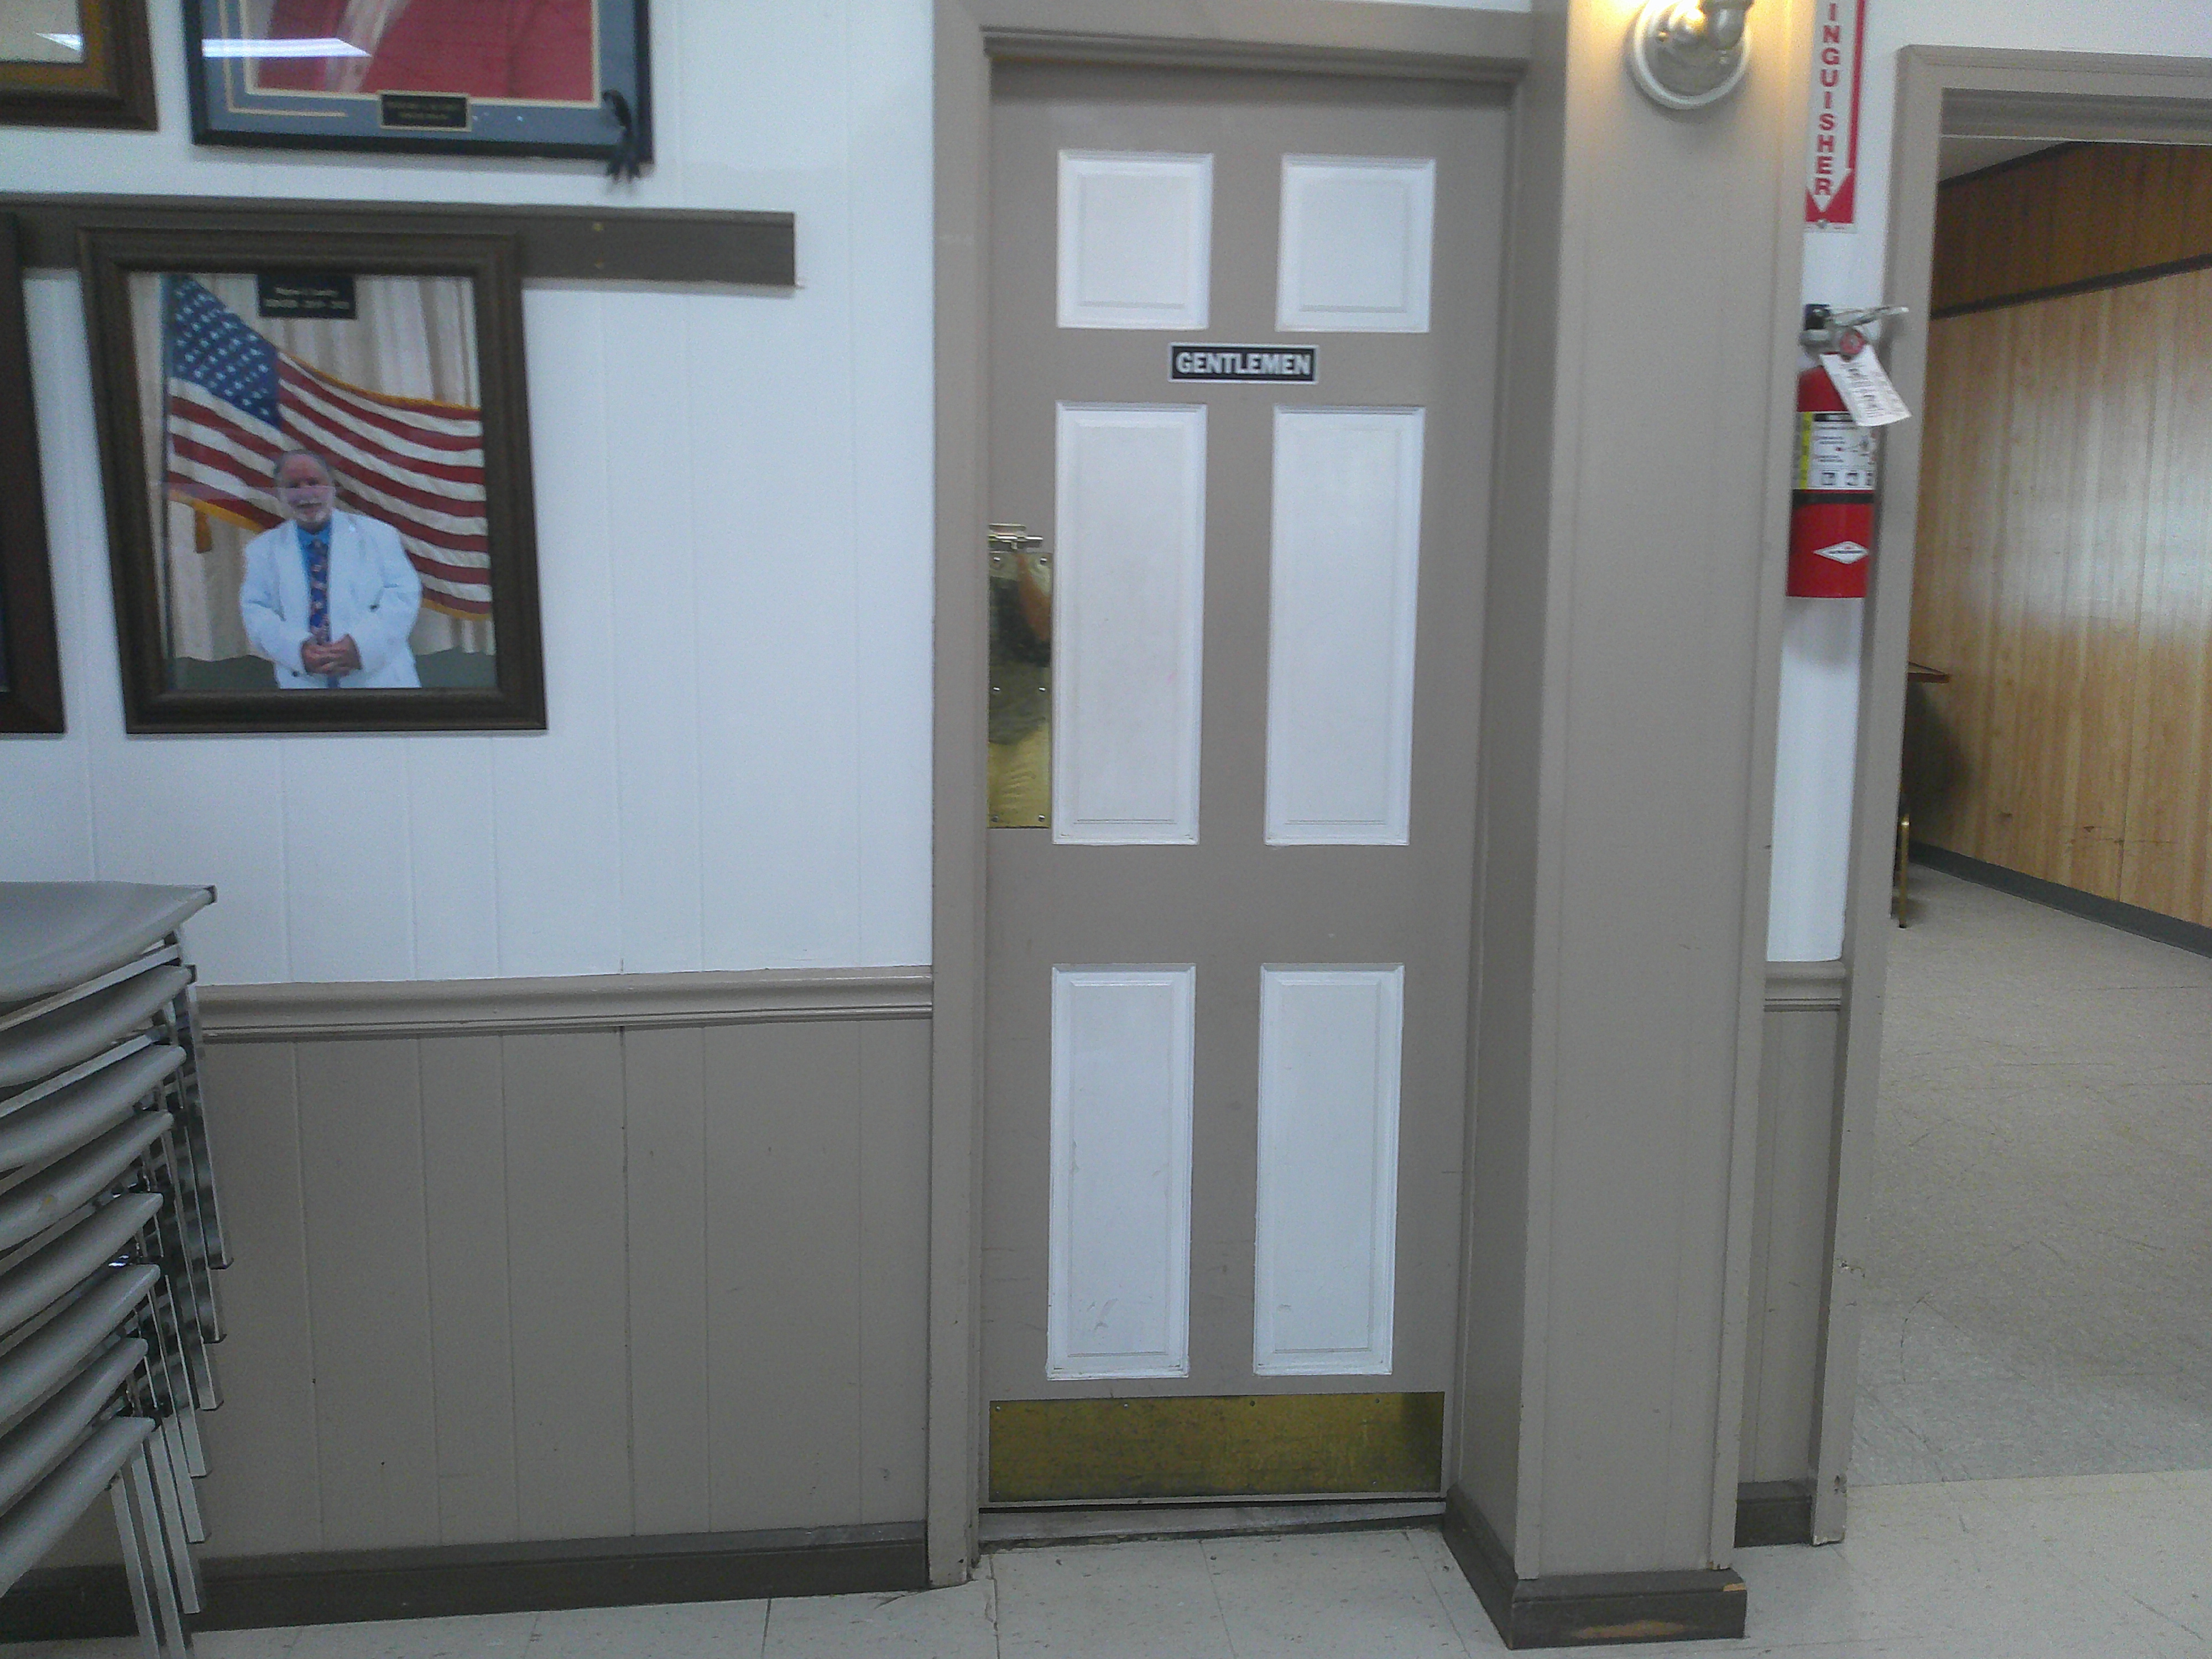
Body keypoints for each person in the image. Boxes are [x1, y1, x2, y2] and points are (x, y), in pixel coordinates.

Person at [239, 450, 422, 689]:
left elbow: (404, 596)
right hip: (304, 684)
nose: (306, 493)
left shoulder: (379, 535)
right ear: (279, 494)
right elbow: (257, 611)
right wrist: (298, 651)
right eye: (293, 486)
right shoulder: (262, 550)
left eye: (314, 482)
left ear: (332, 487)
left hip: (381, 682)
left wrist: (360, 647)